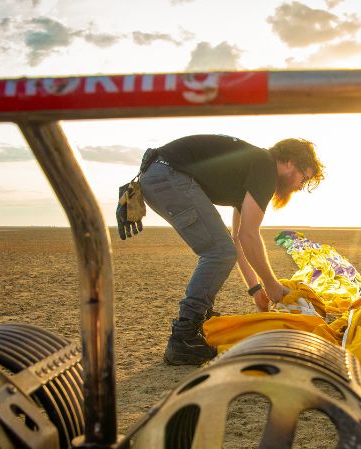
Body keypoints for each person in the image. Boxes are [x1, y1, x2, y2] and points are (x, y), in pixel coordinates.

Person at [125, 134, 324, 365]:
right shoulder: (265, 167)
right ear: (290, 162)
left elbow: (238, 239)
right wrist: (272, 285)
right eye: (303, 177)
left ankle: (198, 325)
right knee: (218, 252)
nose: (300, 186)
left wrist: (256, 289)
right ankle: (183, 337)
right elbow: (249, 236)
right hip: (168, 174)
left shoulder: (253, 167)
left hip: (159, 173)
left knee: (222, 249)